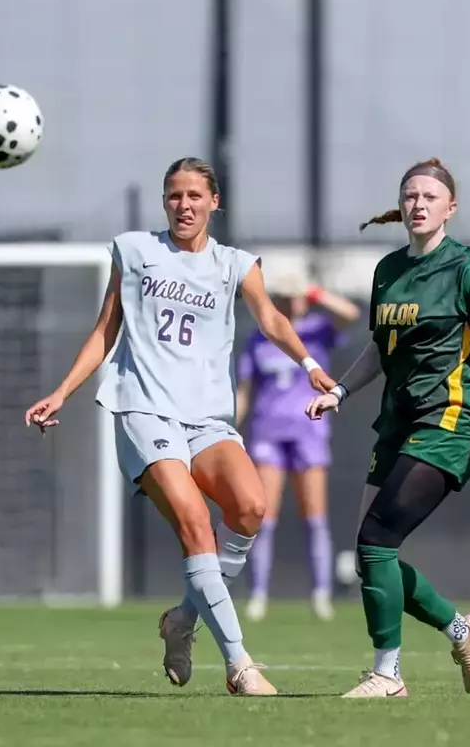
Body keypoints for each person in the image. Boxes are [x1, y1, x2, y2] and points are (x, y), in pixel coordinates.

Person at [25, 158, 335, 696]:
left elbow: (271, 318)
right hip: (144, 408)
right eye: (173, 196)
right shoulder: (136, 251)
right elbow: (105, 331)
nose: (183, 205)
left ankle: (181, 622)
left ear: (215, 201)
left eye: (194, 195)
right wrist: (61, 392)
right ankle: (240, 666)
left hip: (207, 416)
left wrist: (310, 366)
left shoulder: (236, 264)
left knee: (250, 508)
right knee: (195, 523)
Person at [306, 159, 470, 698]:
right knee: (370, 553)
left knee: (375, 541)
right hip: (397, 422)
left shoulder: (467, 269)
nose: (418, 203)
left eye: (429, 196)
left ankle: (388, 675)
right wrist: (338, 391)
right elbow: (381, 348)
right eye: (409, 195)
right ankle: (461, 631)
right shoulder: (387, 271)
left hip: (449, 420)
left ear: (451, 208)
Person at [234, 276, 359, 622]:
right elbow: (244, 389)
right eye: (289, 296)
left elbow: (350, 313)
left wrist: (316, 290)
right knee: (263, 517)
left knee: (314, 517)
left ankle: (321, 594)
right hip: (267, 432)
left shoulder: (319, 330)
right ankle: (257, 594)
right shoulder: (259, 337)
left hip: (310, 432)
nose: (296, 302)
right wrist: (230, 426)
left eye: (300, 297)